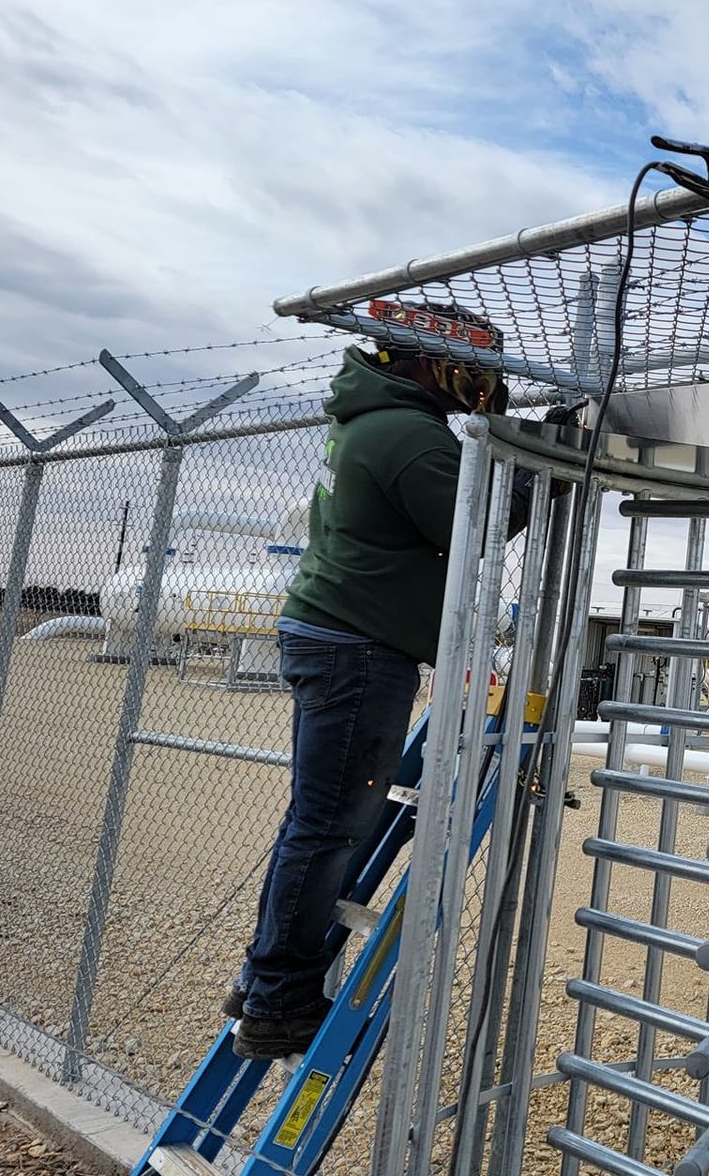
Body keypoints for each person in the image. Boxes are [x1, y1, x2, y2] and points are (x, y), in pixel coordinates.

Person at [230, 302, 557, 1059]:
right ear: (422, 359)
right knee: (327, 826)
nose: (482, 382)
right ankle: (278, 999)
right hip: (356, 648)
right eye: (473, 365)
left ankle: (262, 982)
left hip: (339, 637)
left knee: (315, 824)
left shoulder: (373, 421)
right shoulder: (406, 433)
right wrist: (547, 473)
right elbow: (475, 526)